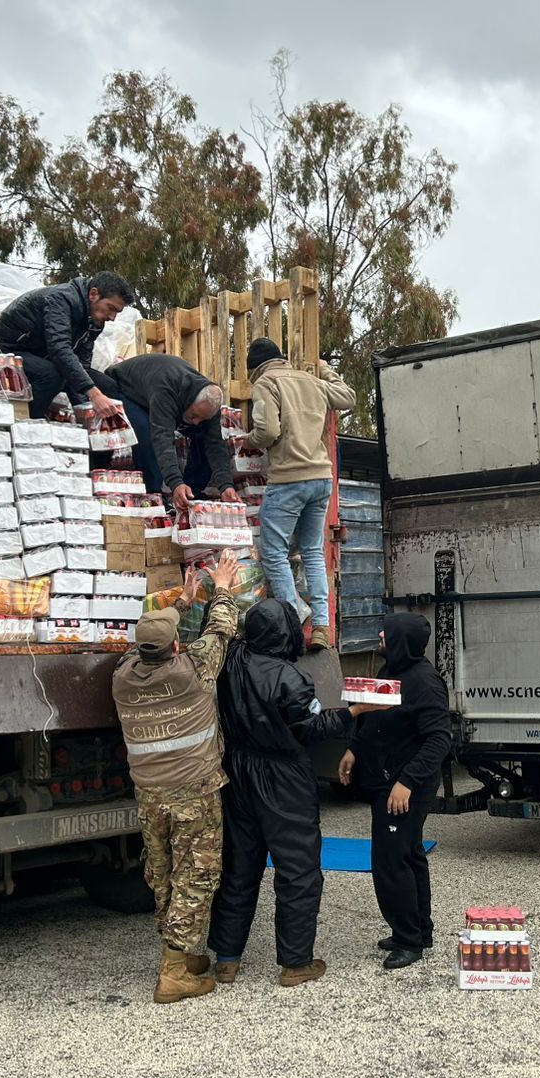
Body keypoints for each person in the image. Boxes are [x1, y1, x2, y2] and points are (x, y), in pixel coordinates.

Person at [206, 599, 387, 987]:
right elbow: (311, 730)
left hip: (237, 770)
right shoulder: (291, 678)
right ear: (286, 634)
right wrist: (353, 712)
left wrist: (216, 594)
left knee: (238, 865)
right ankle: (294, 962)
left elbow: (221, 629)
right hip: (283, 775)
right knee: (298, 869)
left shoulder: (230, 660)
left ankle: (226, 957)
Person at [110, 550, 241, 1004]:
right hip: (195, 793)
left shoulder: (123, 677)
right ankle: (173, 972)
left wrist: (182, 600)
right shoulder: (193, 671)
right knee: (198, 876)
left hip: (151, 796)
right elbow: (222, 629)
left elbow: (145, 639)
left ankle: (182, 955)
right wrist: (219, 587)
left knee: (162, 874)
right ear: (177, 645)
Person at [338, 613, 453, 969]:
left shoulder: (425, 682)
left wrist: (407, 781)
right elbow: (373, 718)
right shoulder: (390, 672)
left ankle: (408, 941)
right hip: (385, 779)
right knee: (410, 854)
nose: (381, 634)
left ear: (402, 639)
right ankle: (420, 929)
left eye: (387, 631)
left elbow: (439, 739)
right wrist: (354, 748)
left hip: (404, 787)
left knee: (391, 862)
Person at [246, 338, 357, 651]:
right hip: (321, 478)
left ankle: (291, 624)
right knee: (311, 552)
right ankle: (320, 625)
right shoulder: (313, 381)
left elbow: (266, 432)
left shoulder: (265, 383)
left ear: (254, 368)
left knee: (273, 551)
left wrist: (248, 439)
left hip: (289, 479)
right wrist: (327, 370)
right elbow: (348, 397)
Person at [0, 271, 134, 419]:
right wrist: (94, 394)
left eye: (117, 312)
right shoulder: (61, 299)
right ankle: (28, 423)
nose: (112, 317)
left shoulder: (95, 320)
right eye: (111, 308)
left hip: (42, 356)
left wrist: (84, 410)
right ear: (93, 294)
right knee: (53, 374)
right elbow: (59, 349)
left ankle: (92, 431)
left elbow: (82, 363)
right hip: (7, 350)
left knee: (106, 384)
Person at [105, 352, 240, 504]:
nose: (196, 421)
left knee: (202, 432)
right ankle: (154, 495)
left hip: (156, 392)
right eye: (194, 415)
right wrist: (175, 483)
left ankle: (192, 491)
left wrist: (226, 485)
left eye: (202, 418)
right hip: (123, 387)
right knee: (145, 431)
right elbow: (162, 437)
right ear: (188, 401)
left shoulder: (209, 407)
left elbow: (215, 444)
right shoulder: (167, 390)